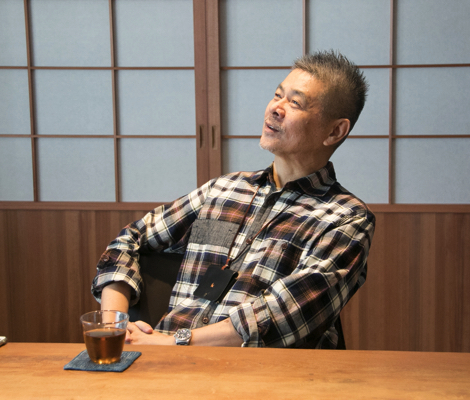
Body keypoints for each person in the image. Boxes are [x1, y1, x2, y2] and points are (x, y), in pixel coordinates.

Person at [92, 50, 375, 349]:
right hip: (163, 358)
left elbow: (282, 315)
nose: (275, 108)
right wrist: (115, 325)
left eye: (295, 103)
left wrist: (174, 343)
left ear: (335, 131)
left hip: (258, 370)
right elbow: (130, 240)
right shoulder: (223, 189)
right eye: (277, 95)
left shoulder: (346, 218)